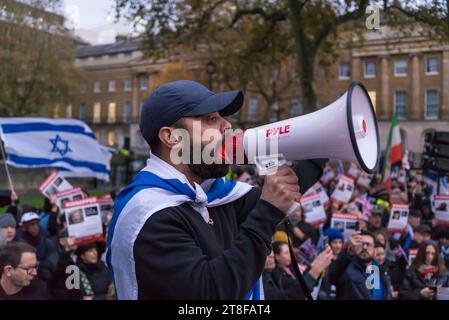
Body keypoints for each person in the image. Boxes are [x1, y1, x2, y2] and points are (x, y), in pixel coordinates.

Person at [108, 80, 326, 299]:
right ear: (171, 137)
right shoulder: (146, 215)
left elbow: (290, 187)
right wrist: (267, 213)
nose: (228, 126)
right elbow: (209, 293)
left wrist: (326, 141)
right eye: (211, 119)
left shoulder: (216, 195)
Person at [329, 230, 392, 300]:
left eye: (368, 244)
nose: (364, 247)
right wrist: (348, 252)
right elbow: (333, 276)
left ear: (374, 249)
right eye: (361, 244)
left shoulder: (380, 270)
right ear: (354, 246)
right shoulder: (346, 269)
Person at [16, 212, 58, 282]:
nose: (36, 227)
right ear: (24, 227)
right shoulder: (19, 243)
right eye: (32, 224)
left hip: (44, 274)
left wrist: (47, 264)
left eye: (37, 224)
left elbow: (53, 254)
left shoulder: (44, 239)